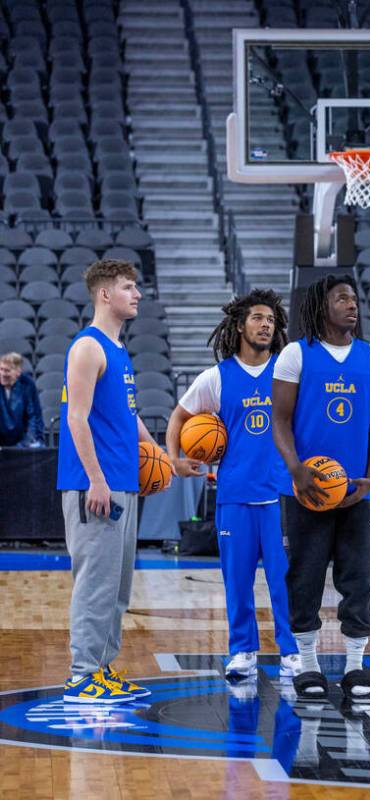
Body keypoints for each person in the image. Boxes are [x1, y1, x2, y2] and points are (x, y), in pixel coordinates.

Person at [165, 290, 299, 682]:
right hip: (235, 496)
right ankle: (243, 651)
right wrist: (174, 458)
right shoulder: (216, 377)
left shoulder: (287, 372)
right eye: (258, 318)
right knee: (236, 582)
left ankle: (291, 650)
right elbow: (178, 418)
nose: (265, 325)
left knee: (284, 581)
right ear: (240, 325)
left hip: (280, 496)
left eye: (271, 320)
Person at [272, 275, 370, 699]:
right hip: (306, 491)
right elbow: (279, 421)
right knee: (304, 578)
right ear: (322, 307)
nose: (351, 305)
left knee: (359, 578)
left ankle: (356, 666)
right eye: (342, 299)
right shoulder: (294, 355)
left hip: (356, 492)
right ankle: (308, 664)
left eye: (355, 299)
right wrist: (296, 468)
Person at [58, 259, 160, 703]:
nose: (136, 294)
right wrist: (95, 479)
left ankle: (100, 669)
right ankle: (82, 675)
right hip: (94, 486)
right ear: (105, 294)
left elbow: (128, 416)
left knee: (117, 588)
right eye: (127, 287)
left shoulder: (118, 351)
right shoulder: (88, 348)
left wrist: (162, 455)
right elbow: (75, 418)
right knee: (96, 583)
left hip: (124, 482)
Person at [0, 352, 45, 447]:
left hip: (23, 439)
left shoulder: (28, 384)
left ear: (18, 372)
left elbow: (33, 417)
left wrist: (24, 444)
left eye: (7, 371)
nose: (3, 374)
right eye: (1, 369)